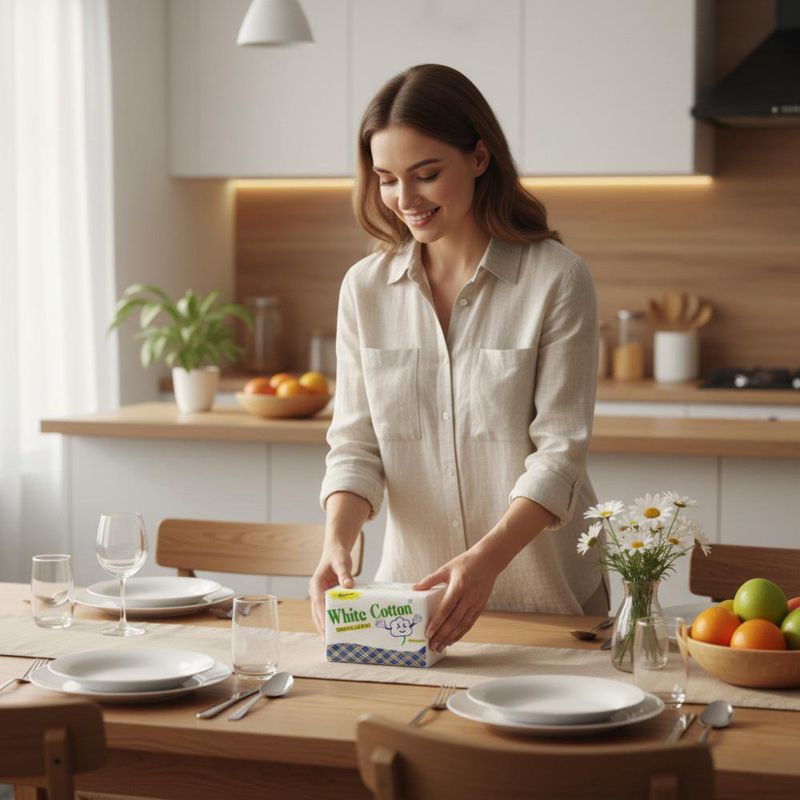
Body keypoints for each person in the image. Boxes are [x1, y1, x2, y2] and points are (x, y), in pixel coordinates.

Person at [310, 64, 607, 653]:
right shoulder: (364, 289)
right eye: (387, 179)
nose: (404, 199)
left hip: (546, 604)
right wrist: (336, 539)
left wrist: (485, 561)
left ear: (478, 157)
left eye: (425, 175)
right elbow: (356, 444)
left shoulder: (556, 278)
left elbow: (559, 454)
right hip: (413, 602)